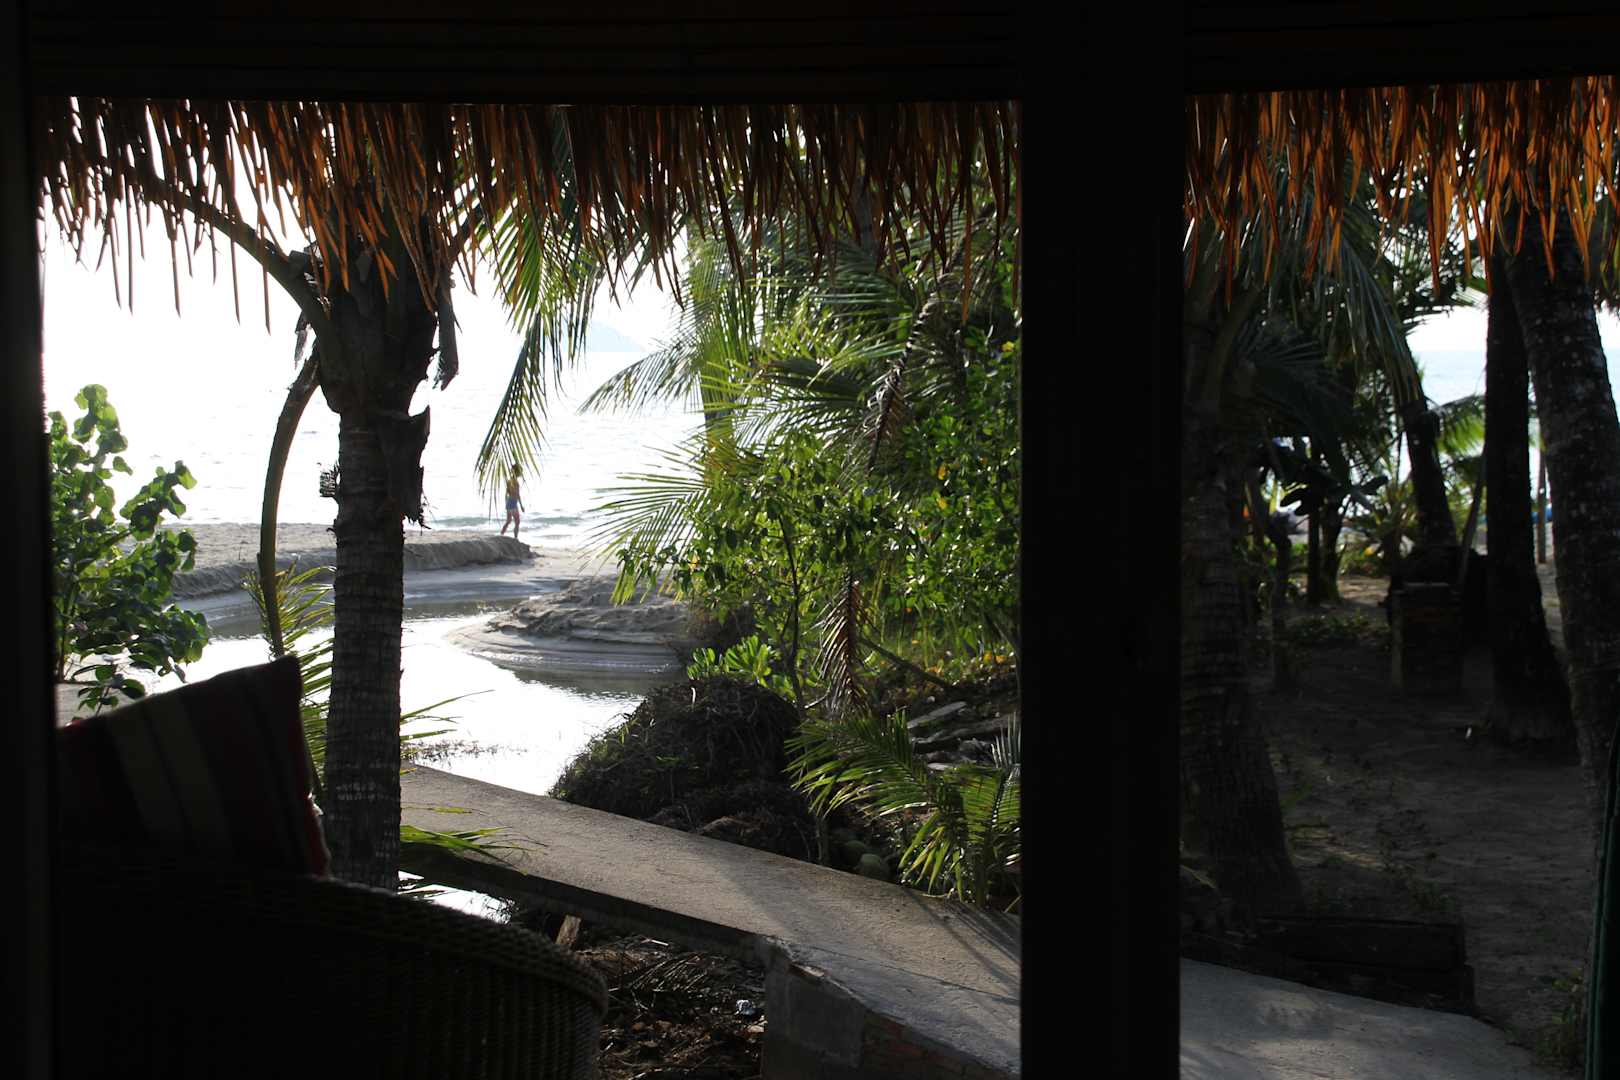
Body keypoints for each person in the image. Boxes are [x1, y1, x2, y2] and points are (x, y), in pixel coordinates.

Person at [500, 465, 524, 537]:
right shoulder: (516, 482)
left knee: (509, 521)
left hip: (509, 502)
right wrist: (521, 506)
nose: (521, 473)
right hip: (513, 503)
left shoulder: (509, 481)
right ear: (517, 472)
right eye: (520, 472)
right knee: (517, 521)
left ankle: (501, 534)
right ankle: (515, 538)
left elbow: (507, 493)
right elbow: (517, 494)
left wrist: (506, 503)